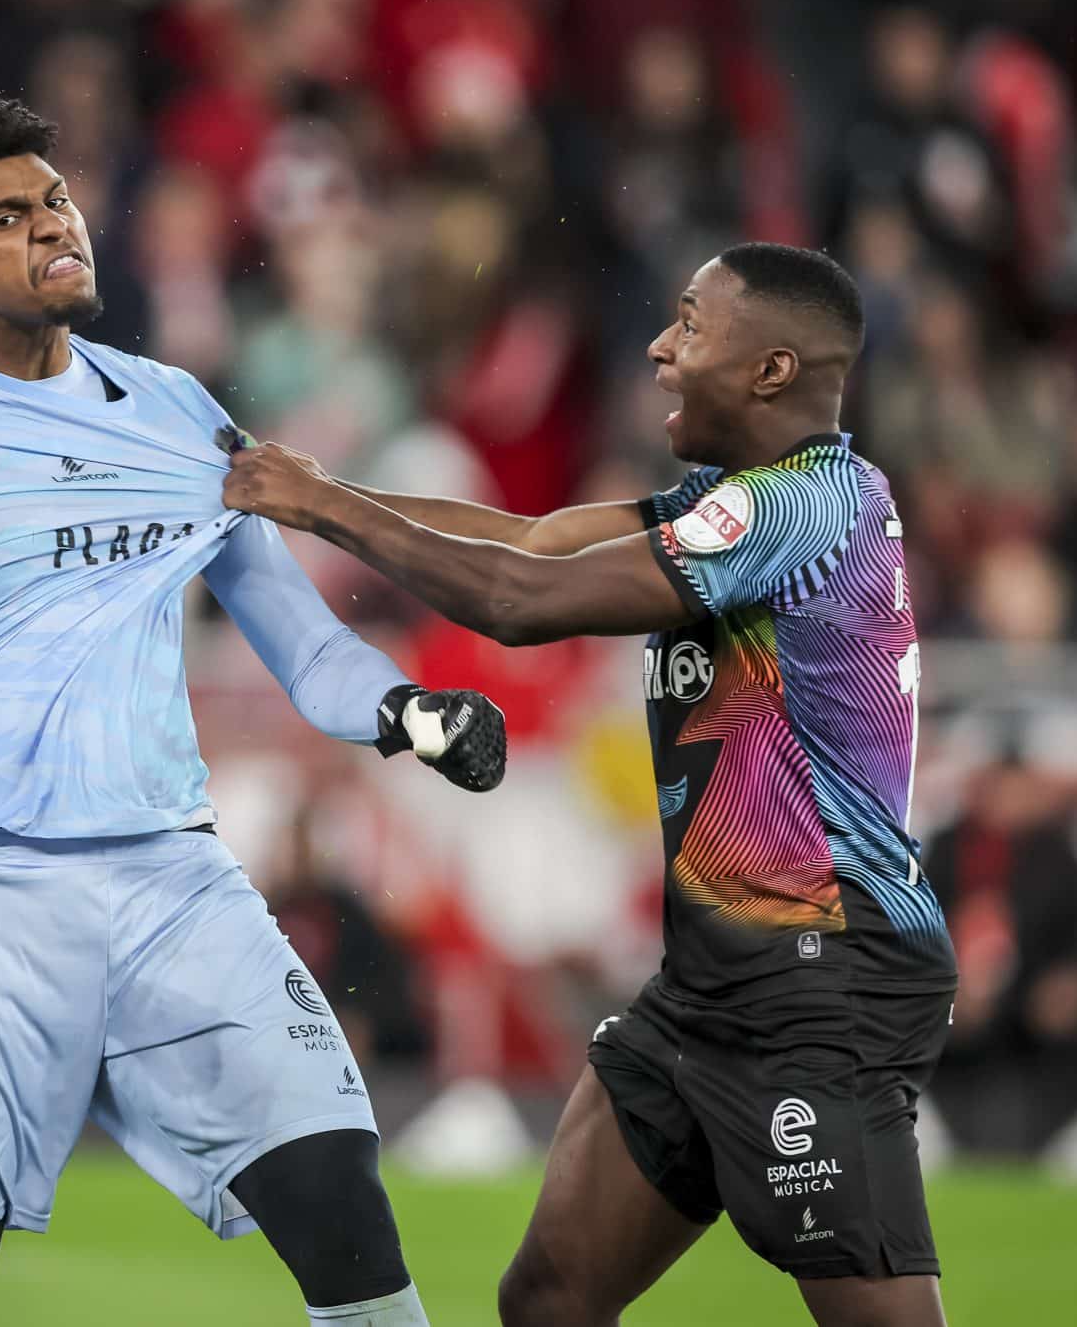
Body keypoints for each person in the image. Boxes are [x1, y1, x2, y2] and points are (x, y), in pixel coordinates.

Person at [0, 92, 506, 1327]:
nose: (56, 226)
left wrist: (410, 712)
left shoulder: (177, 412)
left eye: (54, 200)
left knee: (338, 1193)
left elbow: (303, 645)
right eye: (8, 217)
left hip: (171, 880)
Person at [224, 244, 959, 1327]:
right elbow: (531, 538)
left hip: (820, 978)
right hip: (715, 979)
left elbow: (522, 598)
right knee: (549, 1298)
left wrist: (323, 508)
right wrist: (307, 493)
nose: (659, 348)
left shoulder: (802, 506)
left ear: (770, 369)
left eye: (690, 325)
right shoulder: (739, 501)